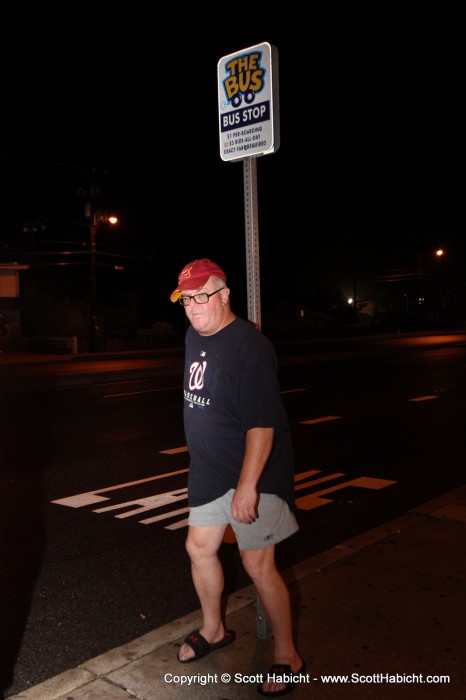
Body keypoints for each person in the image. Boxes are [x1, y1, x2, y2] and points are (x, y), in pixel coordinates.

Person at [170, 258, 305, 697]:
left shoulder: (250, 347)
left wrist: (247, 487)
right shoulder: (194, 334)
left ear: (225, 294)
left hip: (253, 471)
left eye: (202, 295)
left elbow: (262, 424)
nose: (194, 306)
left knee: (257, 563)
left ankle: (287, 654)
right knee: (198, 547)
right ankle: (213, 630)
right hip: (210, 470)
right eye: (187, 299)